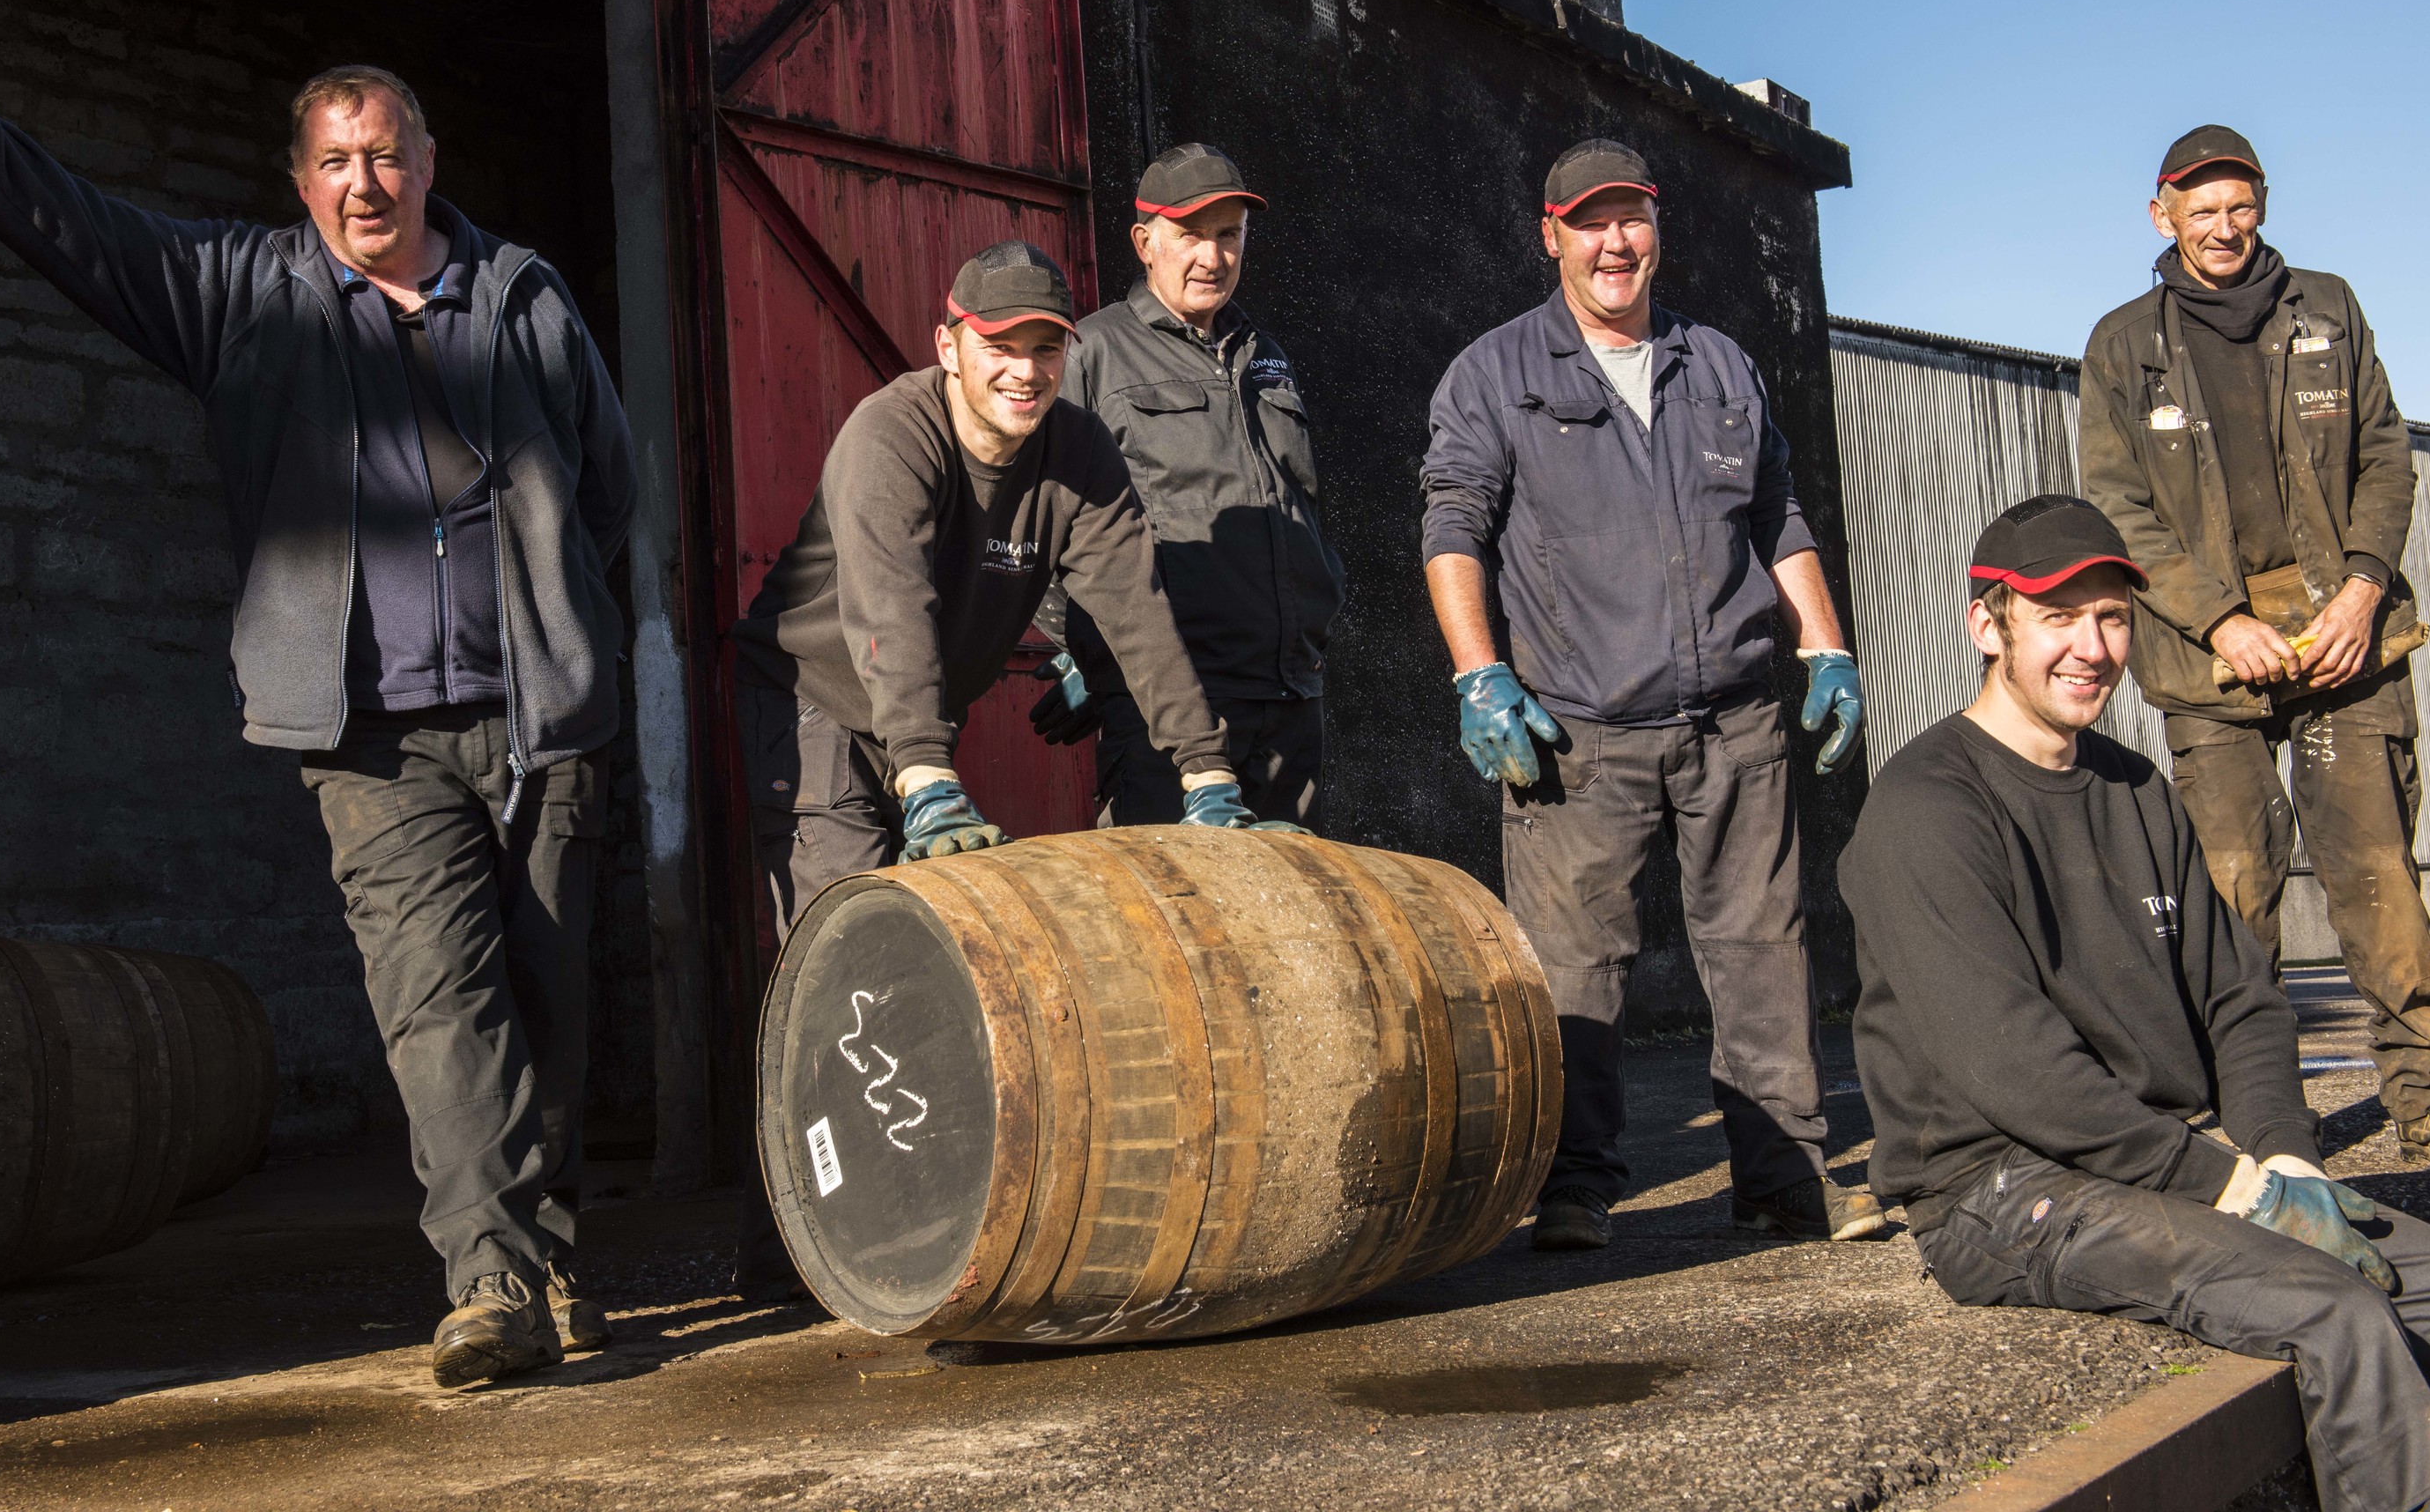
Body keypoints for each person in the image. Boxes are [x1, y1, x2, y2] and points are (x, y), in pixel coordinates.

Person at [0, 0, 632, 1389]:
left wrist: (560, 619)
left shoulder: (523, 296)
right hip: (367, 735)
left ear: (429, 166)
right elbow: (89, 241)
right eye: (337, 162)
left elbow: (608, 486)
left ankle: (541, 1260)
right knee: (436, 999)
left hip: (540, 715)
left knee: (544, 1001)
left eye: (389, 154)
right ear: (303, 185)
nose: (367, 182)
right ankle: (487, 1285)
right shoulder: (243, 295)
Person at [1841, 493, 2430, 1512]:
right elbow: (2019, 1074)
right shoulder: (1925, 810)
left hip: (2149, 1161)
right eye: (2057, 618)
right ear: (1986, 626)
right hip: (2000, 1191)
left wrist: (2285, 1155)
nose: (2091, 647)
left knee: (2428, 1274)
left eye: (2112, 618)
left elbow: (2241, 1004)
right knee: (2333, 1311)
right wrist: (2237, 1191)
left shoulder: (2130, 788)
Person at [1419, 137, 1878, 1252]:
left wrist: (1823, 646)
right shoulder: (1495, 372)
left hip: (1733, 718)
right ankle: (1574, 1185)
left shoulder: (1716, 363)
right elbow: (1452, 527)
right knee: (1574, 969)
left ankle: (1784, 1179)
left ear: (1655, 230)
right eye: (1589, 223)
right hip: (1575, 729)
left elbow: (1776, 514)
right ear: (1551, 236)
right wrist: (1478, 673)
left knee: (1763, 949)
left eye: (1630, 220)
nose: (1613, 242)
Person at [733, 239, 1293, 931]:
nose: (1025, 372)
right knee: (857, 948)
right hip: (819, 702)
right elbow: (893, 608)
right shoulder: (891, 437)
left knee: (927, 948)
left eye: (1046, 349)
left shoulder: (1080, 452)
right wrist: (926, 773)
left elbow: (1136, 614)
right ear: (948, 347)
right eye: (999, 346)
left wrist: (1206, 774)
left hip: (914, 720)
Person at [2079, 124, 2430, 1165]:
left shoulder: (2325, 308)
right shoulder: (2121, 344)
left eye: (2238, 206)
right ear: (2162, 216)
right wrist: (2217, 619)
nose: (2222, 228)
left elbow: (2385, 457)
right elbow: (2119, 508)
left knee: (2376, 879)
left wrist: (2363, 590)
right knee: (2234, 885)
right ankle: (2256, 1117)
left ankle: (2428, 1103)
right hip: (2209, 659)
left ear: (2262, 204)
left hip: (2345, 642)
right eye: (2200, 211)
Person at [1025, 144, 1345, 830]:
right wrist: (1094, 648)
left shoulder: (1266, 354)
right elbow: (1031, 521)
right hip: (1174, 711)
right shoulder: (1092, 354)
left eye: (1229, 235)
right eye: (1191, 235)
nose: (1213, 256)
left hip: (1291, 699)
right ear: (1145, 242)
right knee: (1178, 923)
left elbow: (1298, 505)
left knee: (1294, 924)